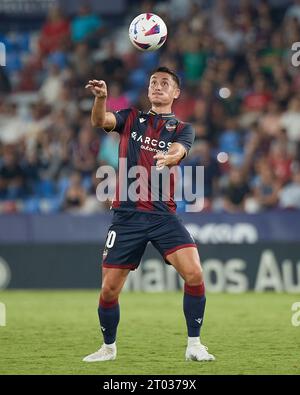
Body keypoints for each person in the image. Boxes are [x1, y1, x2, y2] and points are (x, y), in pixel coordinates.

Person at [83, 66, 215, 362]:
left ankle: (194, 344)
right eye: (154, 82)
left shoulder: (183, 128)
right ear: (148, 90)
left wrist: (171, 157)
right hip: (127, 216)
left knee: (194, 274)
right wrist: (102, 98)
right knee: (108, 290)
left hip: (162, 216)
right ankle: (108, 348)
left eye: (165, 83)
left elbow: (181, 150)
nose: (157, 86)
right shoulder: (130, 117)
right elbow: (99, 120)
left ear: (176, 93)